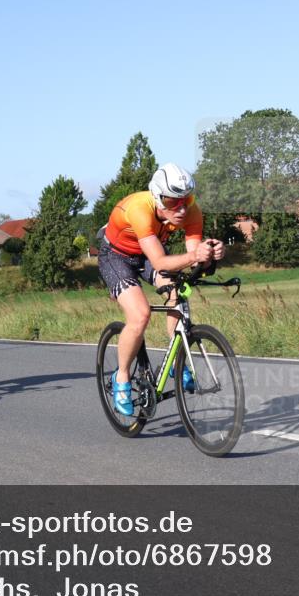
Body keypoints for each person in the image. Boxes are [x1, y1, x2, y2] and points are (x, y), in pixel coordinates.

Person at [97, 163, 224, 416]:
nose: (181, 208)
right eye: (172, 201)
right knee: (140, 314)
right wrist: (196, 257)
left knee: (178, 295)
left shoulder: (192, 212)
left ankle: (178, 361)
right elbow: (159, 263)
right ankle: (121, 377)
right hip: (117, 256)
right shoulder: (140, 209)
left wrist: (212, 255)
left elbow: (193, 259)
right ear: (157, 196)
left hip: (146, 254)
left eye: (186, 199)